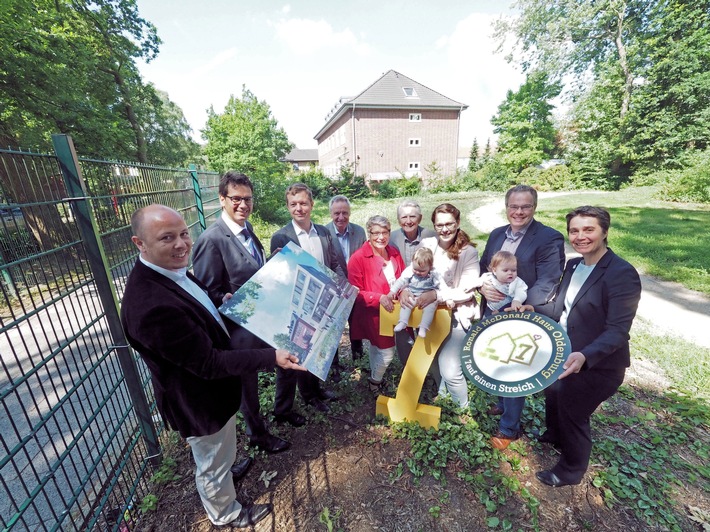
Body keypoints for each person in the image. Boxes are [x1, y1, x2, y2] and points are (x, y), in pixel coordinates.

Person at [120, 204, 304, 528]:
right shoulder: (150, 304)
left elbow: (197, 309)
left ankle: (227, 470)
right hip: (198, 402)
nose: (181, 244)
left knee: (221, 450)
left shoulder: (168, 270)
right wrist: (271, 356)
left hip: (213, 393)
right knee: (211, 459)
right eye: (167, 238)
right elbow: (208, 363)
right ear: (140, 243)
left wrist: (221, 300)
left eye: (183, 234)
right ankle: (225, 513)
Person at [533, 206, 641, 487]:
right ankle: (553, 435)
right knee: (553, 393)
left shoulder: (621, 273)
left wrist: (585, 355)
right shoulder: (573, 264)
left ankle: (570, 470)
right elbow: (559, 307)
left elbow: (618, 331)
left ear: (605, 231)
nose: (580, 236)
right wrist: (530, 307)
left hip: (598, 364)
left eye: (588, 229)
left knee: (573, 410)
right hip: (564, 353)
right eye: (574, 230)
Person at [192, 171, 290, 453]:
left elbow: (253, 274)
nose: (243, 205)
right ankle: (257, 434)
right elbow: (206, 292)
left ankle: (280, 412)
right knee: (248, 387)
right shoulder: (212, 240)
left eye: (247, 199)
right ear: (222, 199)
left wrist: (275, 262)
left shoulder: (247, 230)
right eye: (236, 199)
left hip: (261, 321)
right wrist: (223, 296)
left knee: (278, 363)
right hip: (237, 333)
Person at [479, 184, 565, 450]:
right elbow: (485, 266)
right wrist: (482, 287)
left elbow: (548, 280)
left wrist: (522, 306)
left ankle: (509, 429)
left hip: (520, 316)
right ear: (506, 207)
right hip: (492, 312)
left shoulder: (549, 238)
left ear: (534, 207)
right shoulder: (496, 235)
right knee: (494, 360)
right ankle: (503, 404)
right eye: (514, 206)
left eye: (525, 206)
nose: (519, 211)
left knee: (513, 368)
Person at [270, 183, 344, 416]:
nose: (299, 208)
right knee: (301, 350)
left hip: (324, 300)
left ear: (312, 204)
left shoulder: (323, 232)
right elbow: (278, 275)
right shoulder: (281, 236)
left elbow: (334, 264)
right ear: (288, 206)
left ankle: (317, 390)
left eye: (303, 203)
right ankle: (308, 396)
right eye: (293, 204)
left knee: (318, 348)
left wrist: (342, 286)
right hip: (299, 303)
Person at [400, 203, 480, 407]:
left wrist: (436, 293)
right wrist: (406, 289)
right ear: (433, 226)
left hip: (455, 315)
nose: (444, 229)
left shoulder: (468, 252)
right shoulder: (427, 243)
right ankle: (444, 397)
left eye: (449, 224)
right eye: (439, 225)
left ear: (458, 223)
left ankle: (463, 410)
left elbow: (467, 289)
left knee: (450, 368)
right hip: (429, 315)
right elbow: (414, 271)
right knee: (432, 360)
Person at [348, 215, 406, 392]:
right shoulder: (358, 258)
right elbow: (354, 292)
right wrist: (379, 298)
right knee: (387, 352)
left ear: (389, 232)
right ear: (369, 234)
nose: (381, 237)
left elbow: (403, 278)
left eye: (385, 232)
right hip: (373, 313)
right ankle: (374, 382)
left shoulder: (394, 252)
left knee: (377, 349)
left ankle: (375, 375)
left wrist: (404, 292)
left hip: (394, 310)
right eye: (376, 233)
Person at [388, 199, 437, 362]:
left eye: (412, 216)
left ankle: (430, 368)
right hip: (404, 291)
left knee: (427, 331)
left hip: (427, 291)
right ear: (398, 220)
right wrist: (401, 290)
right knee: (402, 334)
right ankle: (408, 368)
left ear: (420, 218)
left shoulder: (431, 236)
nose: (408, 221)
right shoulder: (392, 238)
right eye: (404, 217)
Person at [325, 195, 367, 366]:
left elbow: (364, 258)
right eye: (337, 213)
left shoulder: (359, 231)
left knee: (356, 326)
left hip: (357, 288)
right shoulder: (323, 232)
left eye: (345, 213)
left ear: (350, 213)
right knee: (334, 329)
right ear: (330, 214)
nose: (341, 217)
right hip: (335, 289)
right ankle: (334, 366)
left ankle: (359, 361)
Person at [388, 247, 450, 338]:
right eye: (415, 269)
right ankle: (403, 321)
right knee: (407, 303)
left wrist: (448, 299)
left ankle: (424, 327)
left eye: (422, 271)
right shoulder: (409, 270)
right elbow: (400, 281)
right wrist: (392, 291)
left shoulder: (434, 273)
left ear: (430, 267)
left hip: (427, 297)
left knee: (430, 308)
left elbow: (443, 286)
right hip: (412, 293)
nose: (417, 272)